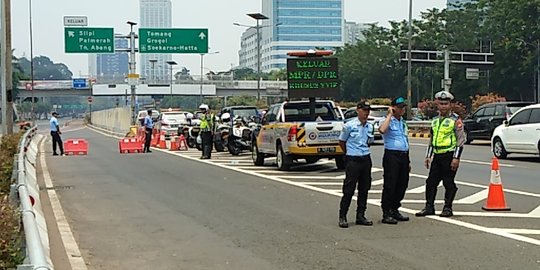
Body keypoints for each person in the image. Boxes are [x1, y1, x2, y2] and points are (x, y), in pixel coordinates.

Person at [416, 90, 466, 218]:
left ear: (450, 105)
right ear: (437, 104)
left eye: (446, 103)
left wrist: (456, 158)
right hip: (437, 156)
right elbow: (432, 140)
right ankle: (429, 207)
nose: (443, 106)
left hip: (449, 155)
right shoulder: (435, 121)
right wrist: (428, 156)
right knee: (431, 182)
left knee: (448, 183)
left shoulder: (455, 121)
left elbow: (460, 141)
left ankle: (447, 208)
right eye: (441, 103)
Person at [338, 101, 375, 228]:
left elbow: (369, 142)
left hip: (365, 158)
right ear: (358, 110)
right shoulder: (349, 126)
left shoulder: (370, 126)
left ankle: (361, 215)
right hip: (353, 159)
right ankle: (343, 216)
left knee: (364, 188)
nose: (366, 113)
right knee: (349, 189)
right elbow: (342, 142)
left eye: (368, 111)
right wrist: (349, 153)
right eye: (364, 110)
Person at [378, 97, 410, 225]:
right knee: (390, 184)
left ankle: (395, 208)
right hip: (392, 156)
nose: (402, 109)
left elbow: (405, 140)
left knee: (403, 184)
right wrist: (389, 115)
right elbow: (382, 130)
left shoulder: (403, 122)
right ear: (393, 107)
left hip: (403, 156)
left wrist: (409, 160)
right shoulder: (387, 121)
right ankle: (386, 212)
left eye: (404, 107)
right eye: (400, 107)